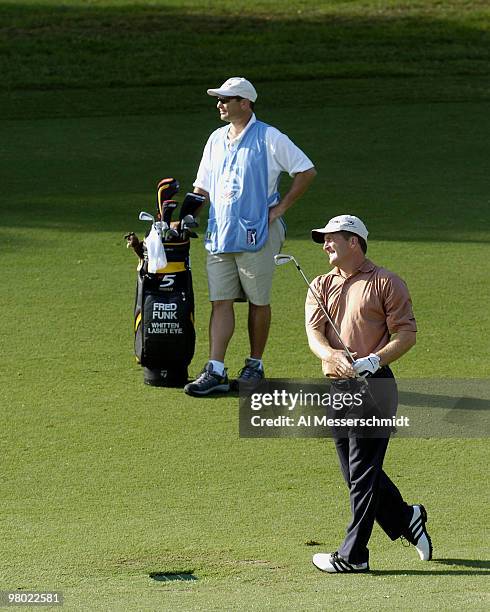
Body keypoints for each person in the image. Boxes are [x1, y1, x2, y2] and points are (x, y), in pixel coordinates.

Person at [305, 214, 432, 573]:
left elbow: (406, 334)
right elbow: (314, 333)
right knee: (358, 473)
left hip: (374, 386)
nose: (326, 245)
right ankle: (407, 517)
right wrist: (330, 355)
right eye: (324, 239)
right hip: (338, 387)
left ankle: (354, 555)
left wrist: (373, 361)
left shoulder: (386, 282)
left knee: (362, 471)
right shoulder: (319, 284)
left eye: (332, 239)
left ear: (354, 243)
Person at [184, 77, 317, 396]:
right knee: (220, 301)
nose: (220, 104)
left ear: (245, 103)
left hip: (259, 233)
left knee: (258, 301)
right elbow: (201, 187)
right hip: (221, 233)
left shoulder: (269, 137)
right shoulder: (215, 139)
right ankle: (215, 368)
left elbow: (305, 170)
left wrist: (280, 209)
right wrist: (185, 218)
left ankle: (254, 365)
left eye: (226, 100)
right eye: (219, 100)